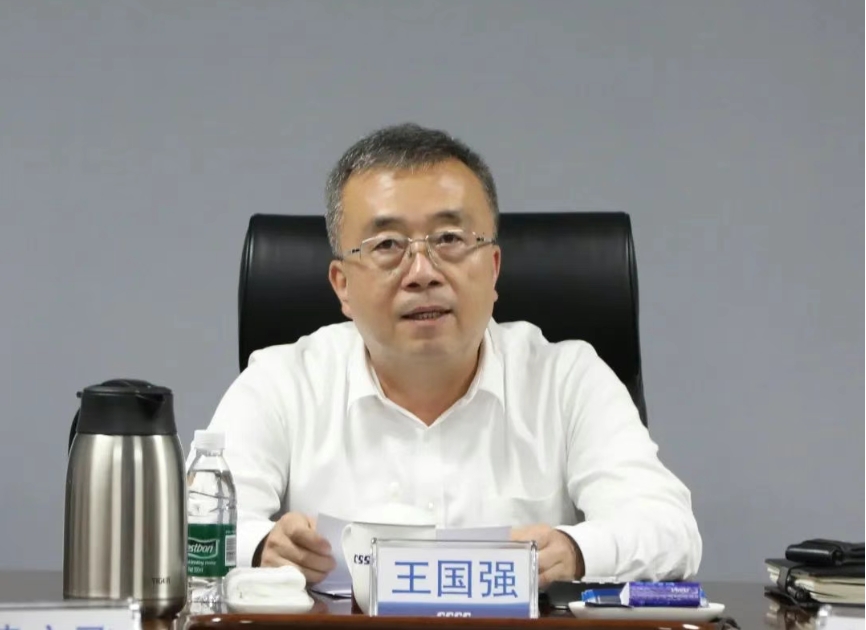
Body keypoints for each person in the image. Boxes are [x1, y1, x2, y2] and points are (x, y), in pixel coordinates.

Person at [199, 122, 702, 589]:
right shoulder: (282, 381)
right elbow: (189, 526)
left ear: (494, 267)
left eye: (449, 239)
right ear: (342, 285)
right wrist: (263, 547)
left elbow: (670, 529)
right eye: (387, 244)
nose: (422, 272)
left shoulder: (567, 379)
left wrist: (573, 551)